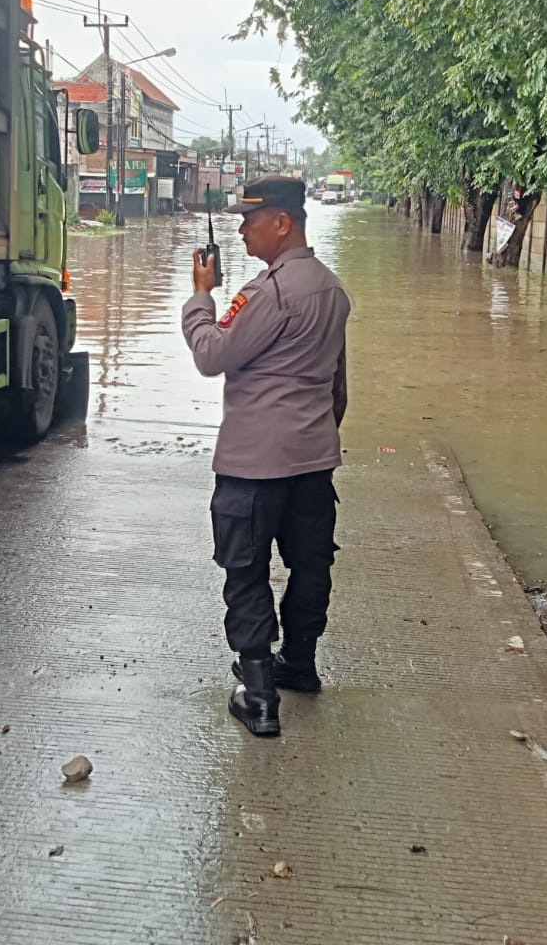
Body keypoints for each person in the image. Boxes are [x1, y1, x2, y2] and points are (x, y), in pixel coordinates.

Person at [181, 175, 351, 737]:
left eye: (249, 221)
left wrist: (201, 296)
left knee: (246, 570)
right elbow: (337, 388)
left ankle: (258, 698)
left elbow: (212, 355)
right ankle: (299, 664)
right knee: (311, 565)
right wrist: (314, 437)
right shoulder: (332, 290)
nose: (241, 232)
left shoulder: (267, 294)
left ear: (282, 223)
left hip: (253, 466)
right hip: (313, 462)